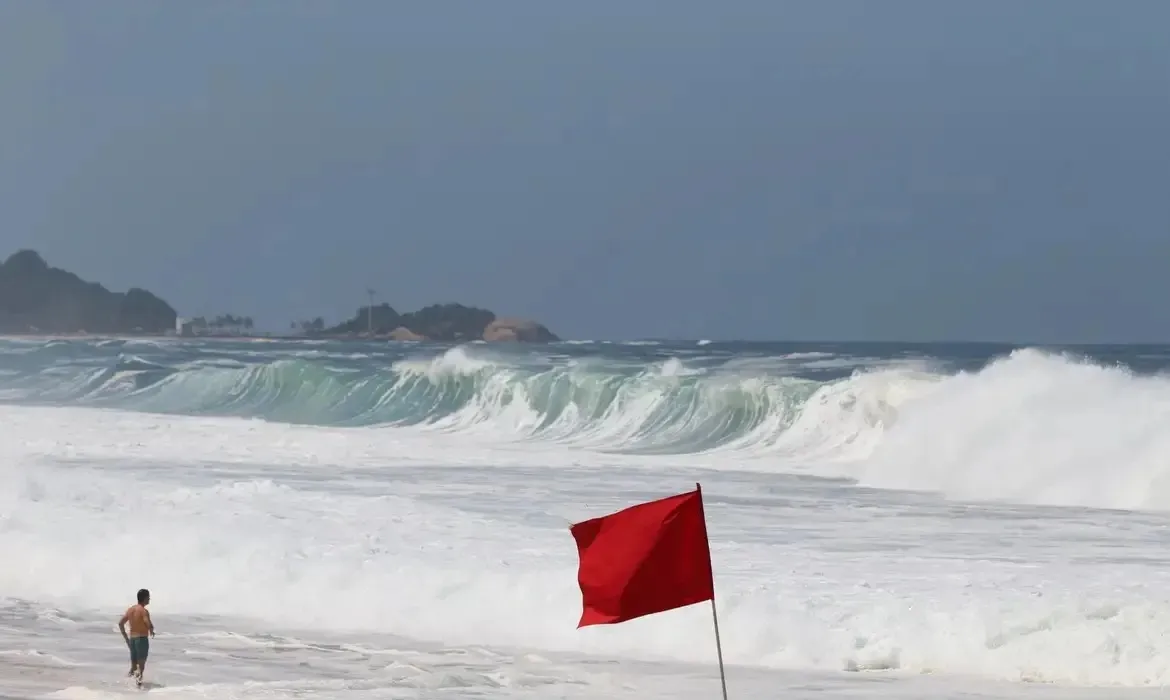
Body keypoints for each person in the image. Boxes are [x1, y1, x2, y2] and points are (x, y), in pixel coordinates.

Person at [118, 588, 155, 686]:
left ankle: (126, 685)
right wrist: (151, 629)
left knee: (134, 666)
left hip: (132, 640)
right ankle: (139, 690)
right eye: (148, 597)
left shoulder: (130, 610)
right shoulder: (143, 611)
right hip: (141, 640)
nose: (149, 599)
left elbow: (120, 623)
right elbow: (147, 622)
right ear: (145, 598)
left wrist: (126, 638)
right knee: (140, 667)